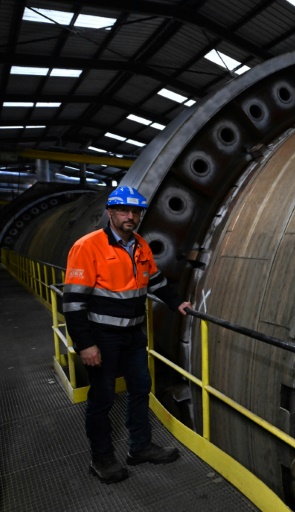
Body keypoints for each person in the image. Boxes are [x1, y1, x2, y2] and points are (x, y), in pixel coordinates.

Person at [63, 186, 192, 483]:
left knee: (139, 389)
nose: (130, 216)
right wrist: (86, 344)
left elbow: (155, 281)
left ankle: (140, 447)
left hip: (134, 334)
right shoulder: (88, 246)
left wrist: (177, 303)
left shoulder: (140, 245)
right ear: (111, 212)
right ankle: (102, 459)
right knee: (103, 398)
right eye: (124, 210)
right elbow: (73, 303)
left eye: (135, 212)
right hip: (102, 337)